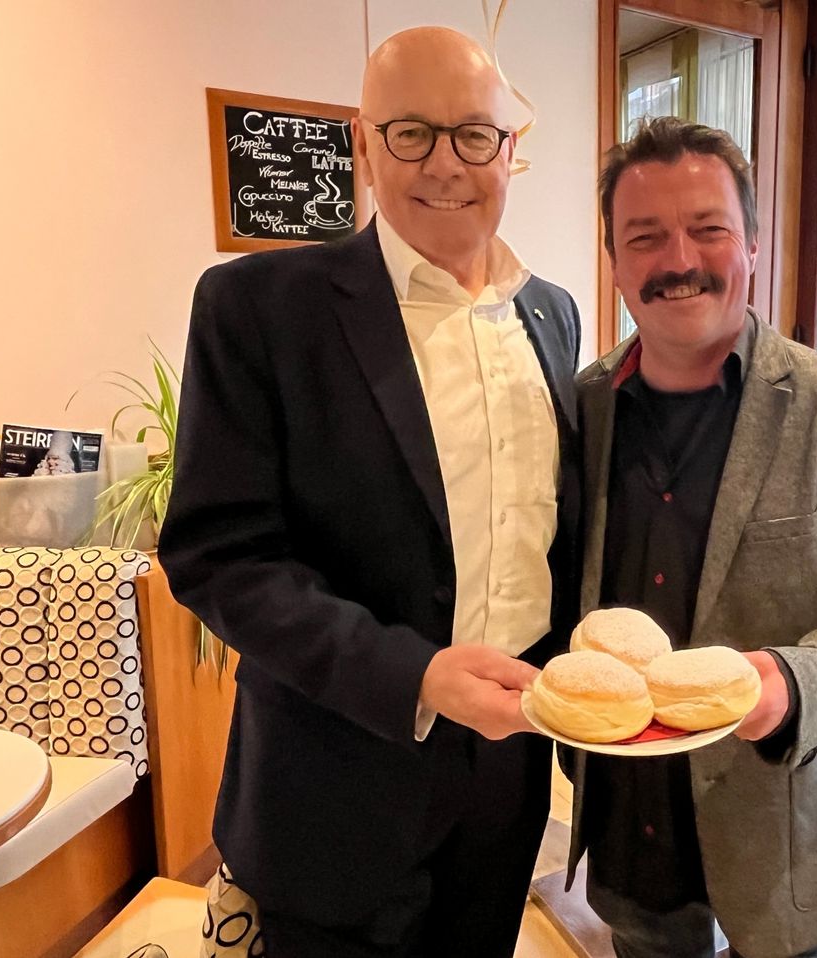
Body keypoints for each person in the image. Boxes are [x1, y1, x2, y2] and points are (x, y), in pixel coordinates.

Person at [159, 27, 581, 958]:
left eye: (474, 134)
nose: (444, 164)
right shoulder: (258, 309)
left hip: (509, 776)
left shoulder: (551, 314)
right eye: (410, 133)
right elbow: (218, 555)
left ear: (512, 148)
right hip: (334, 782)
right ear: (361, 142)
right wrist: (416, 677)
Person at [565, 116, 817, 958]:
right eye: (646, 237)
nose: (678, 260)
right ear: (617, 264)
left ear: (755, 245)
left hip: (782, 836)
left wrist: (795, 682)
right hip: (631, 833)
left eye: (708, 229)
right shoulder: (583, 407)